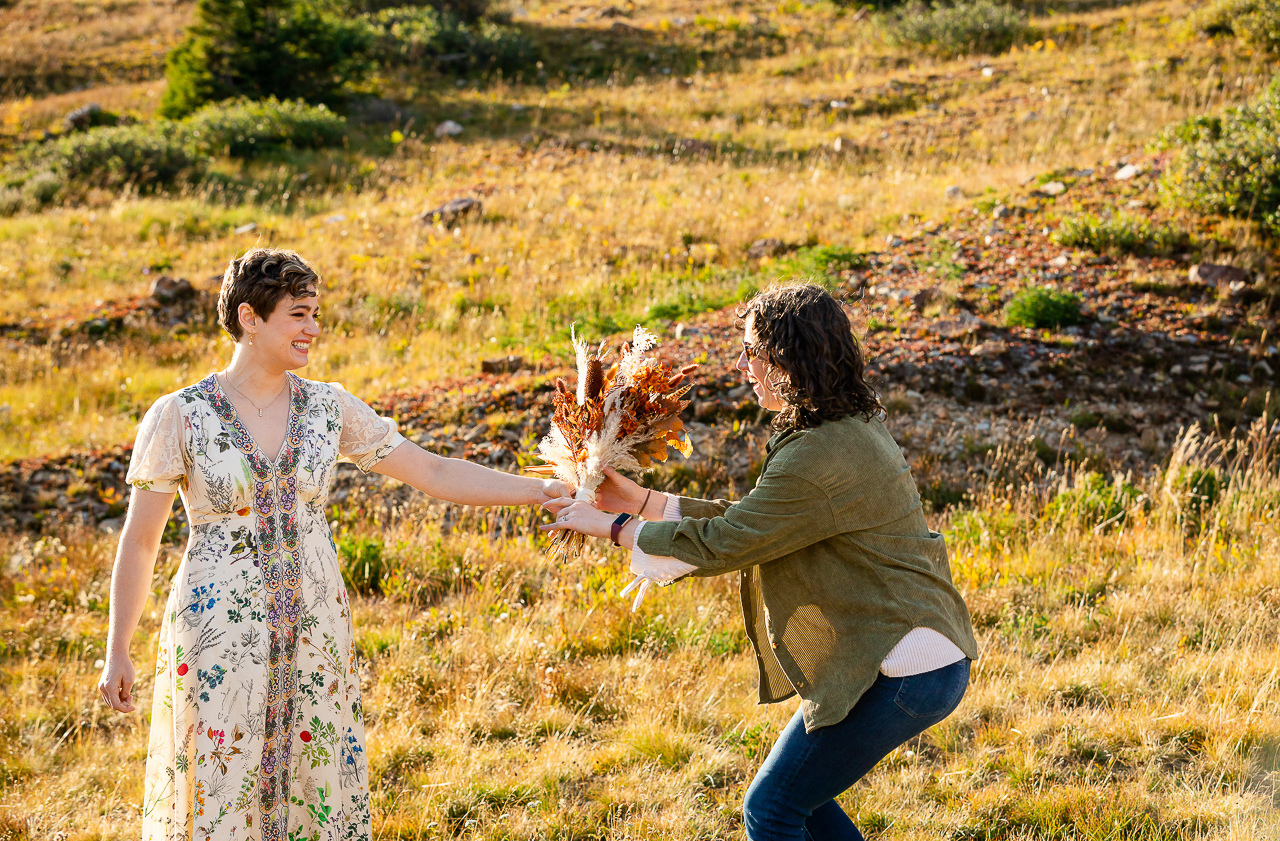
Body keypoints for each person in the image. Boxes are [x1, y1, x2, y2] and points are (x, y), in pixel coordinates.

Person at [98, 248, 568, 841]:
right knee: (220, 786)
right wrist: (118, 647)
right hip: (218, 637)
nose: (313, 329)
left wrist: (539, 491)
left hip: (316, 631)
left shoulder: (328, 407)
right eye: (299, 314)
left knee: (313, 780)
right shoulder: (180, 416)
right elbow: (141, 542)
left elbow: (434, 472)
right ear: (249, 317)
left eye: (316, 313)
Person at [541, 282, 979, 841]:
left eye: (753, 351)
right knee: (803, 803)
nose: (743, 365)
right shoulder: (842, 428)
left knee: (772, 809)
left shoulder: (820, 452)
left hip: (904, 669)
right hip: (915, 656)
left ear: (790, 357)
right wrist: (643, 503)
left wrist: (613, 527)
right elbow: (760, 522)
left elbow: (731, 542)